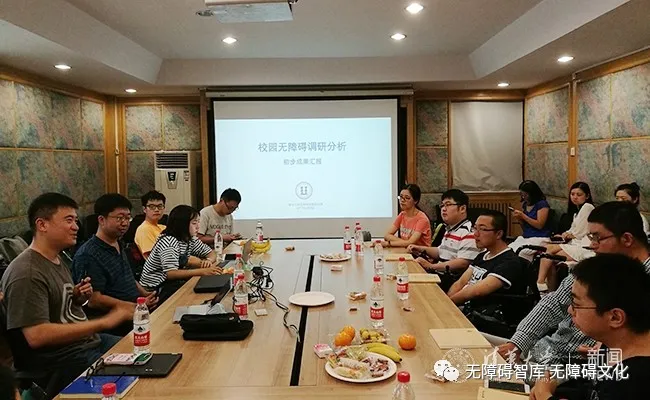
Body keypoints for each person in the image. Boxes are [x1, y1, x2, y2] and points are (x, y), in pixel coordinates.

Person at [0, 193, 132, 396]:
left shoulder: (55, 258)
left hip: (88, 343)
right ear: (42, 225)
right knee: (136, 381)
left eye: (76, 221)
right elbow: (36, 335)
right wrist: (104, 322)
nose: (76, 227)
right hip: (63, 359)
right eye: (68, 220)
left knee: (143, 352)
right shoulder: (26, 272)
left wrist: (77, 297)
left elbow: (60, 309)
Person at [495, 201, 650, 366]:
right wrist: (518, 343)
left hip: (578, 368)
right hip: (546, 352)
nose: (592, 245)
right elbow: (555, 303)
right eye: (591, 238)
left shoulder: (640, 280)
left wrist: (606, 351)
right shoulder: (596, 265)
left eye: (597, 238)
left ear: (627, 239)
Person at [530, 253, 650, 400]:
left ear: (615, 317)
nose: (570, 310)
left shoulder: (637, 380)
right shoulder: (611, 348)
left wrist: (545, 396)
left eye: (576, 304)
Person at [72, 194, 158, 336]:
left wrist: (145, 294)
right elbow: (94, 299)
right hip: (114, 325)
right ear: (101, 220)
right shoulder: (88, 255)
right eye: (119, 218)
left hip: (136, 313)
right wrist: (133, 307)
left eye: (128, 218)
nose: (125, 223)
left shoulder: (118, 242)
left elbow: (127, 276)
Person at [139, 205, 222, 302]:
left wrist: (208, 261)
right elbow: (171, 273)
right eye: (194, 223)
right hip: (154, 289)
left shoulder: (189, 238)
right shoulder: (169, 241)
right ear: (182, 225)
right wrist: (202, 271)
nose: (198, 226)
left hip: (171, 283)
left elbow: (211, 253)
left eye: (198, 222)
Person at [447, 210, 525, 306]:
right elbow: (460, 283)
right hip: (460, 306)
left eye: (482, 229)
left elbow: (477, 292)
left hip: (482, 312)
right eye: (475, 228)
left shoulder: (509, 262)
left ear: (499, 234)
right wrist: (446, 301)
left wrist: (448, 304)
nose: (475, 234)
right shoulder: (482, 255)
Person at [406, 189, 480, 288]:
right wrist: (421, 248)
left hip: (451, 281)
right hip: (440, 275)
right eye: (442, 205)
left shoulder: (469, 232)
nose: (443, 209)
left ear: (462, 208)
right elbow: (441, 252)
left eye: (448, 205)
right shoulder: (450, 229)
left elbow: (463, 263)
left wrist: (431, 266)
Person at [537, 182, 595, 292]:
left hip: (583, 246)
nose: (575, 197)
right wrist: (564, 234)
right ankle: (549, 290)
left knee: (548, 251)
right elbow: (572, 230)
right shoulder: (576, 212)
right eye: (572, 194)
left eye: (579, 194)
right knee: (548, 255)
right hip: (575, 243)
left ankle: (540, 282)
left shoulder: (588, 207)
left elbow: (579, 233)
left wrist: (569, 235)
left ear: (587, 196)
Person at [134, 190, 166, 258]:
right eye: (152, 206)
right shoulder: (144, 229)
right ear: (144, 209)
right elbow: (152, 258)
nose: (156, 210)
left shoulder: (164, 227)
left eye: (160, 206)